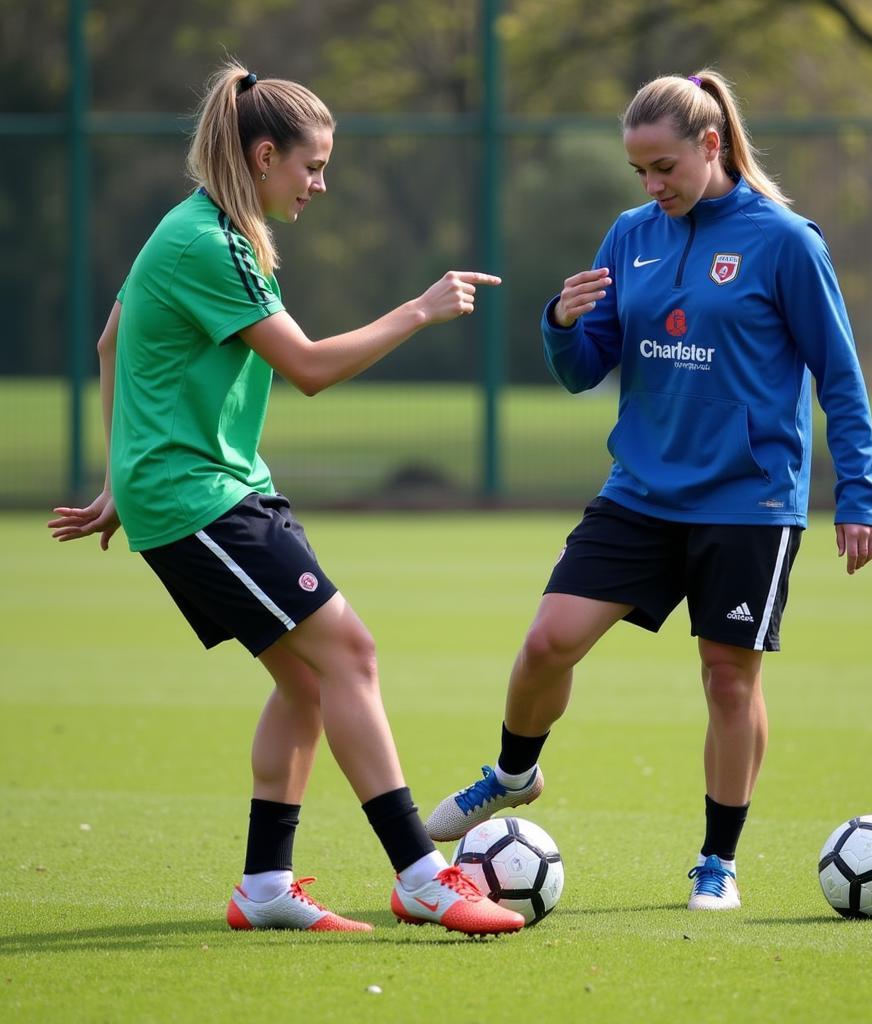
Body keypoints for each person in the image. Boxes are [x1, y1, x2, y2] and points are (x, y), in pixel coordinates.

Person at [48, 61, 525, 936]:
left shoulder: (212, 230)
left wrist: (120, 476)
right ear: (264, 155)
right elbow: (305, 368)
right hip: (198, 498)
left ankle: (264, 887)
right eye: (311, 166)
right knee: (350, 651)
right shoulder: (207, 241)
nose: (321, 183)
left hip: (210, 488)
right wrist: (417, 311)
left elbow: (113, 340)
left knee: (306, 683)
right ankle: (421, 872)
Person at [425, 70, 872, 911]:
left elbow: (840, 376)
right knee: (546, 643)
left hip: (748, 500)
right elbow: (582, 370)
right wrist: (560, 323)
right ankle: (513, 774)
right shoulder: (630, 234)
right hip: (640, 490)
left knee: (728, 680)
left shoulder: (786, 241)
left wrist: (859, 491)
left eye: (664, 167)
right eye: (639, 171)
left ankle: (718, 861)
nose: (651, 186)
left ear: (711, 146)